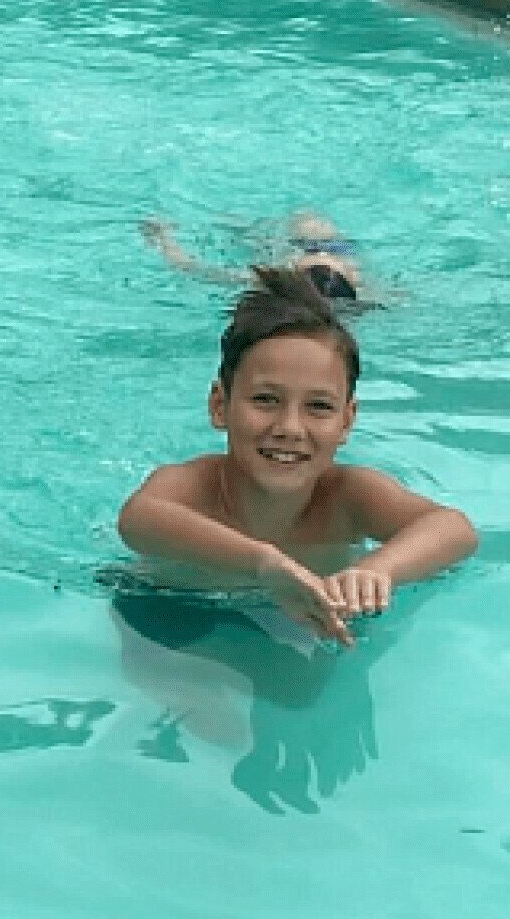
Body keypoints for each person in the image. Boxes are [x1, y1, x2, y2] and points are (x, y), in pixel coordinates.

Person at [115, 268, 477, 645]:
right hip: (172, 607)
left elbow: (454, 529)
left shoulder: (346, 497)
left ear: (346, 421)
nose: (290, 428)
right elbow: (137, 520)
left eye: (318, 406)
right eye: (265, 400)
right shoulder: (192, 486)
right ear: (220, 405)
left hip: (295, 621)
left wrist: (376, 570)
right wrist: (264, 564)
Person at [142, 211, 365, 302]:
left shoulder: (270, 278)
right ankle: (238, 225)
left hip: (325, 249)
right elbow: (189, 267)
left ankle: (239, 225)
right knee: (308, 222)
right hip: (332, 249)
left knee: (306, 222)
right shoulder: (357, 289)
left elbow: (189, 266)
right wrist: (162, 238)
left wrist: (161, 238)